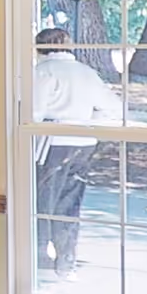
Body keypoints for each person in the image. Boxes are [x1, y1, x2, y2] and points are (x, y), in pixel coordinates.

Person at [32, 26, 120, 275]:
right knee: (70, 201)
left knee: (43, 200)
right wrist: (87, 120)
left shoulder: (43, 72)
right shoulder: (86, 72)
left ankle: (38, 254)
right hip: (83, 143)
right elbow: (114, 107)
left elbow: (34, 112)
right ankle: (66, 258)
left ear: (40, 48)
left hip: (51, 143)